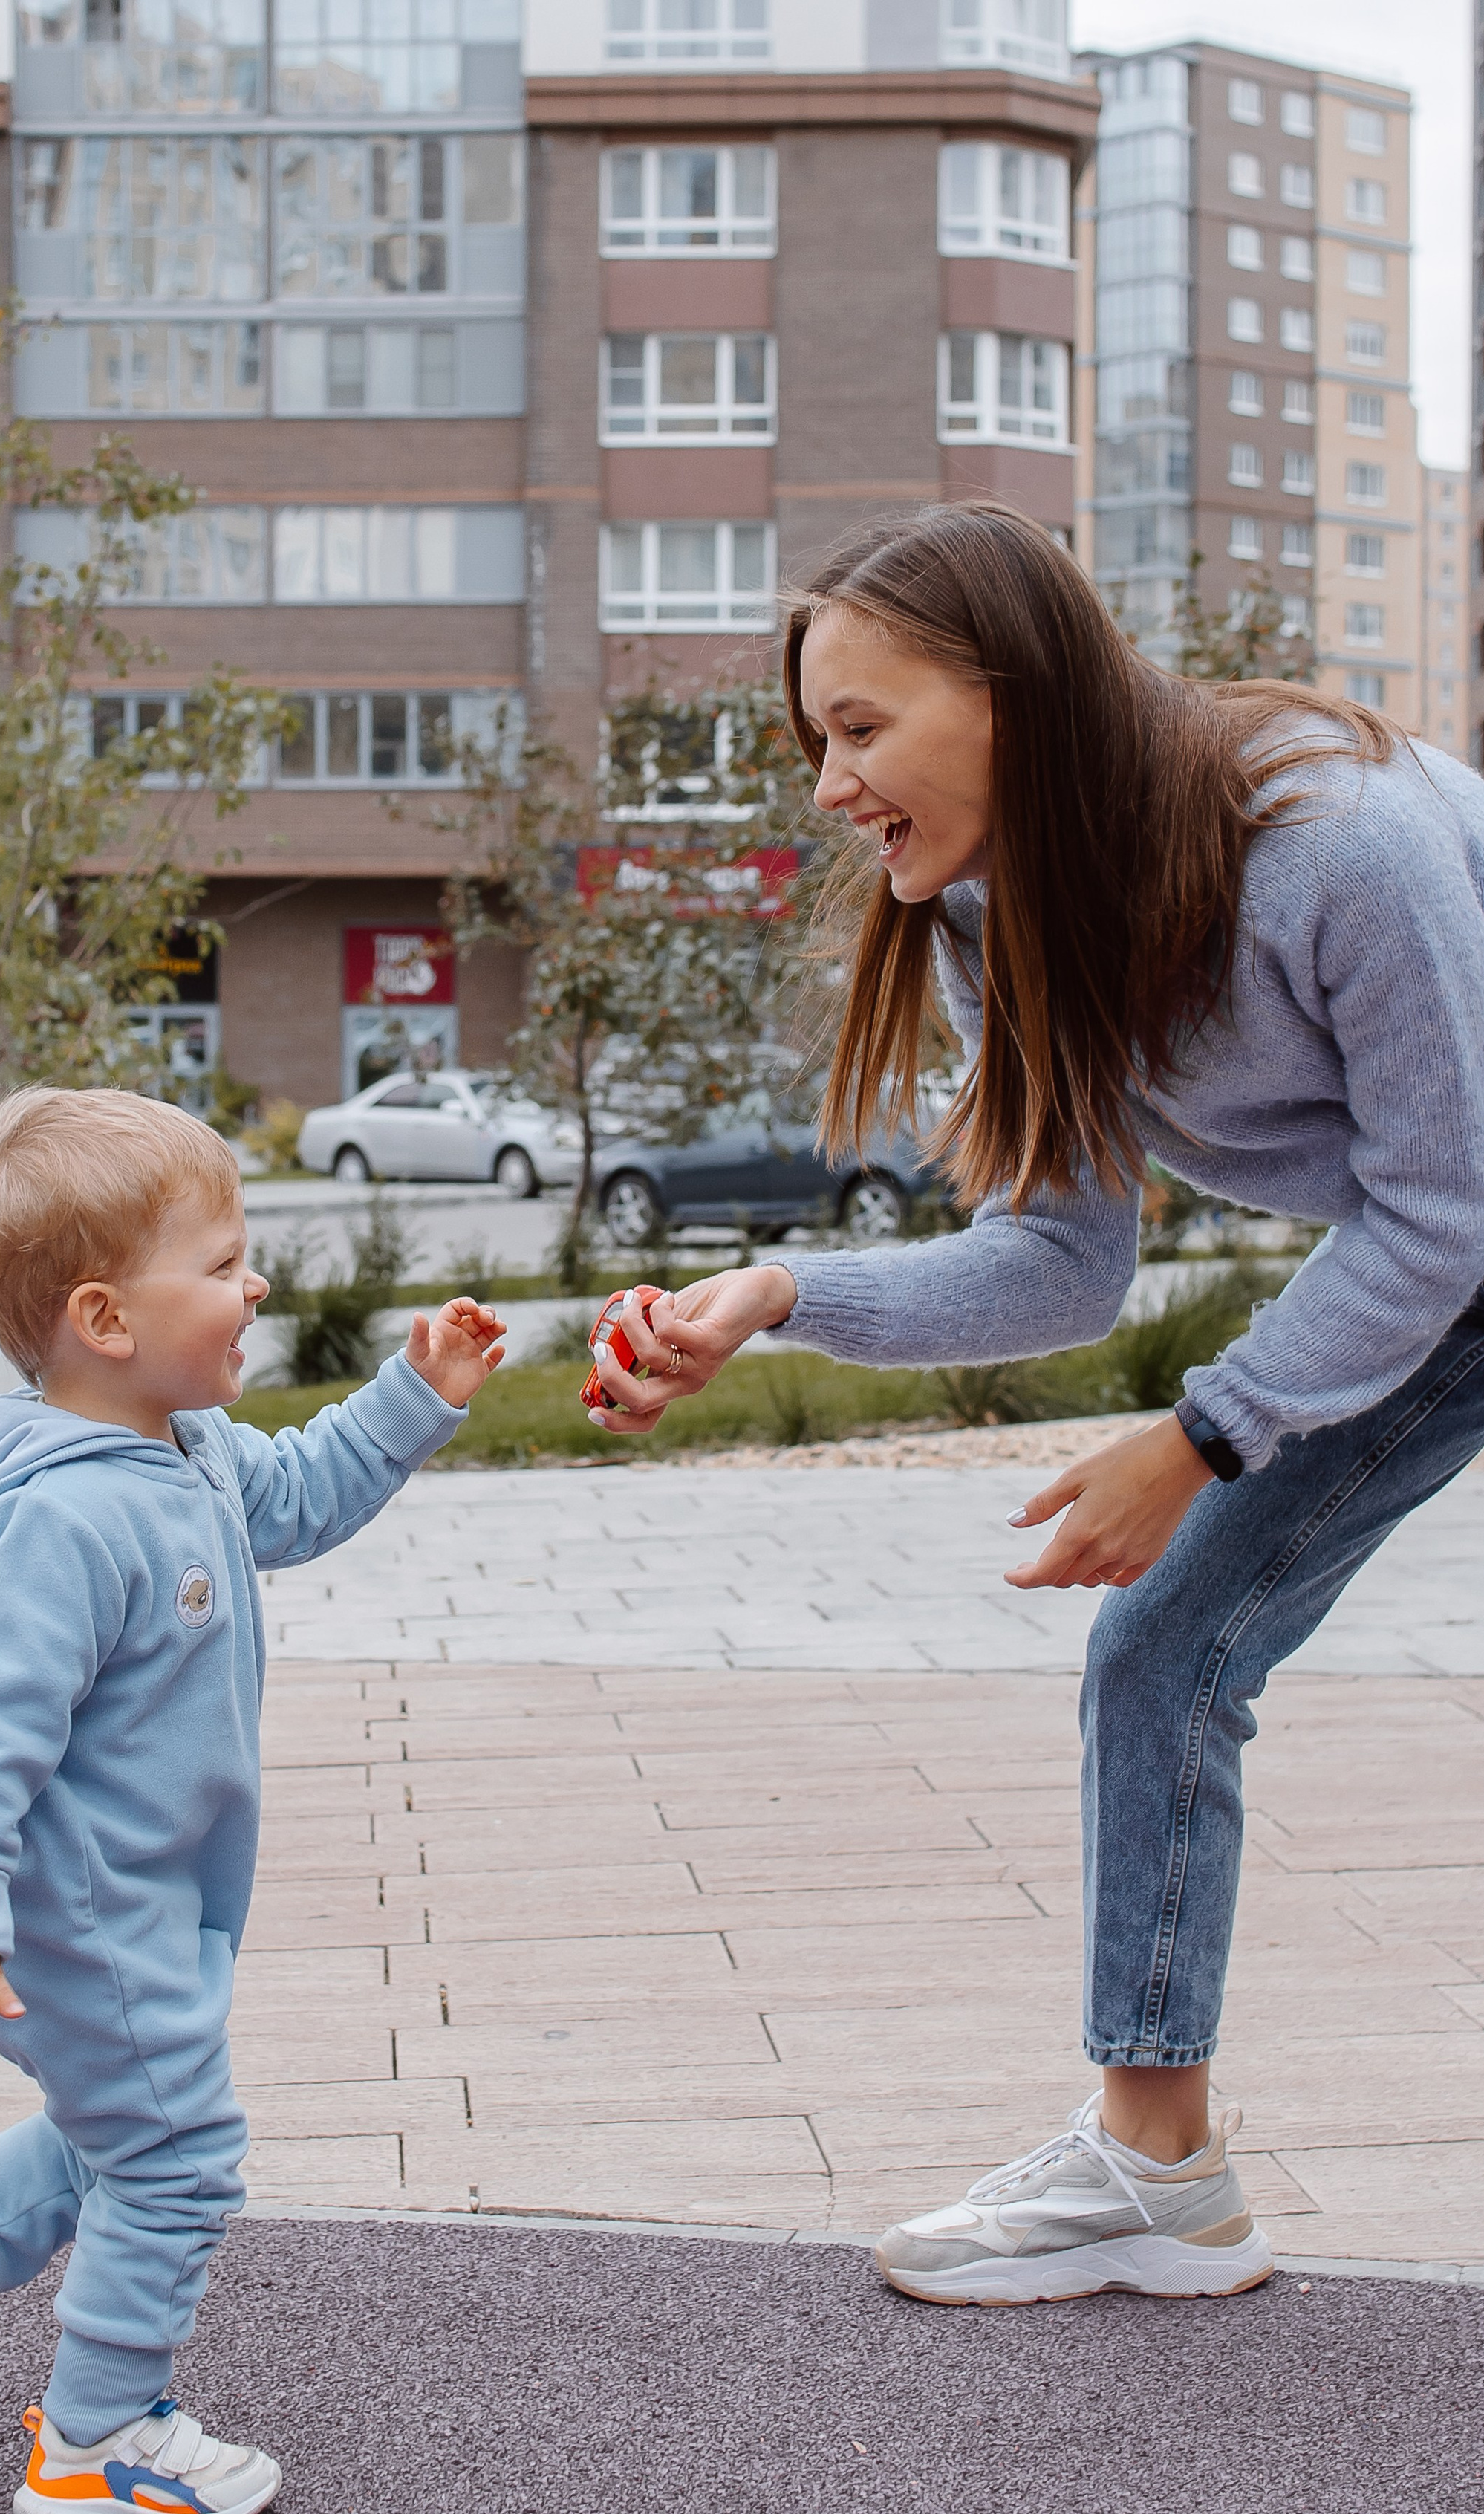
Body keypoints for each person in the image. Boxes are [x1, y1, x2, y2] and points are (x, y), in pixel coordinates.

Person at [588, 500, 1484, 2308]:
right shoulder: (992, 912)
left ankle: (1153, 2174)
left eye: (858, 730)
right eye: (813, 742)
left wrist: (1204, 1433)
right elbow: (1061, 1262)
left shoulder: (1334, 844)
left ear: (1014, 697)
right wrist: (779, 1295)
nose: (829, 788)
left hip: (1456, 1232)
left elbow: (1443, 1208)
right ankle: (1154, 2171)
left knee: (1166, 1625)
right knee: (1160, 1648)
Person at [0, 1086, 503, 2510]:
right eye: (226, 1264)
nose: (257, 1285)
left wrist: (414, 1398)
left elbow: (297, 1495)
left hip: (154, 1900)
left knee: (108, 2135)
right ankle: (99, 2438)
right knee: (176, 2161)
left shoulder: (190, 1449)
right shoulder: (63, 1517)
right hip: (86, 1915)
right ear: (108, 1321)